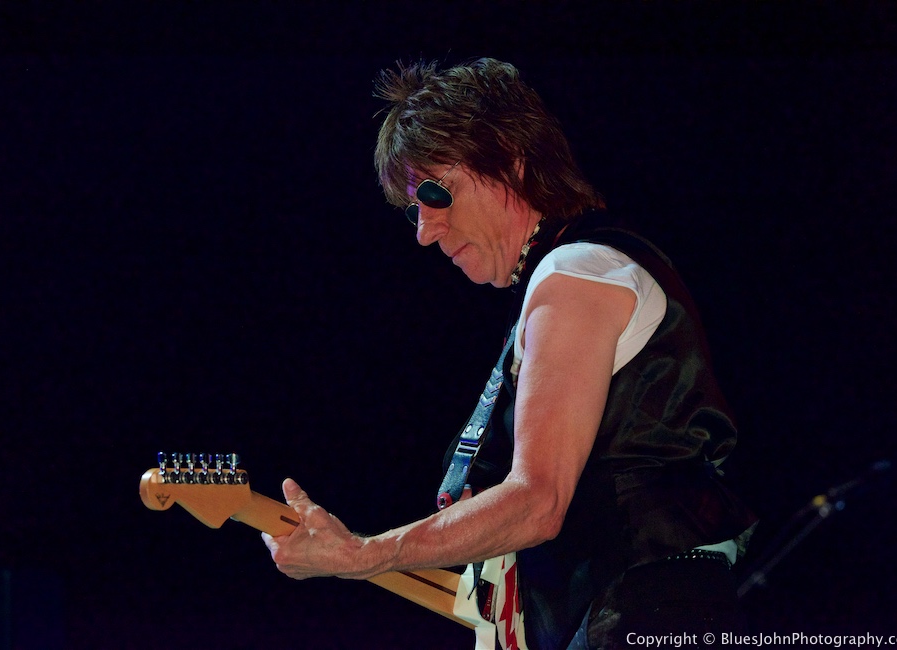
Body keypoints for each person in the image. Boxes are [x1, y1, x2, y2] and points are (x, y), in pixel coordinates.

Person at [263, 57, 757, 650]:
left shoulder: (577, 273)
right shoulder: (566, 278)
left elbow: (538, 501)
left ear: (511, 163)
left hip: (645, 610)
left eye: (436, 193)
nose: (424, 230)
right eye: (414, 207)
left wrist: (365, 555)